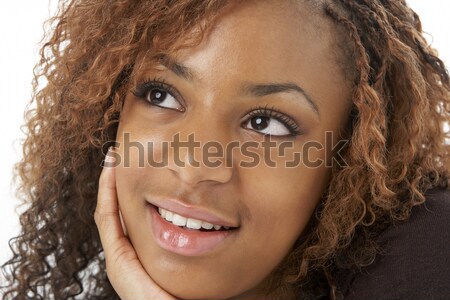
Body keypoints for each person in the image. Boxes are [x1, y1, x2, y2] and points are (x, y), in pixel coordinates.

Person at [1, 0, 449, 299]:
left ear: (351, 157)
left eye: (265, 123)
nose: (195, 165)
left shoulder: (429, 253)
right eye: (161, 95)